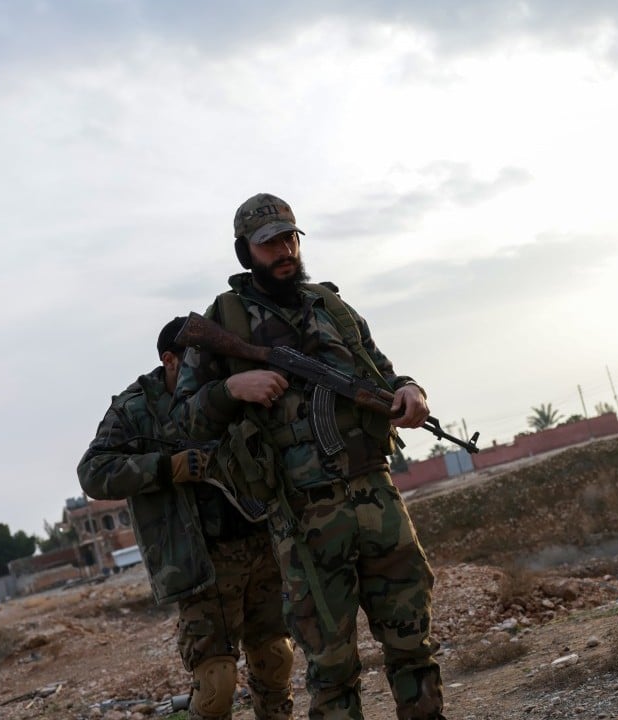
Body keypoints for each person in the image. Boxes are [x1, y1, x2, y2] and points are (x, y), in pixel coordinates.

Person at [172, 192, 445, 720]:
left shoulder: (331, 306)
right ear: (244, 252)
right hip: (303, 518)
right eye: (269, 243)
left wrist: (410, 390)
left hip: (377, 498)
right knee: (332, 668)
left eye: (290, 238)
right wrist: (234, 388)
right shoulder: (223, 321)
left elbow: (382, 372)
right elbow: (184, 420)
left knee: (414, 645)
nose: (284, 250)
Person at [78, 317, 294, 720]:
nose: (205, 369)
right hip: (200, 561)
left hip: (260, 546)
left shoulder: (228, 388)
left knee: (275, 660)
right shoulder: (135, 408)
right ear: (169, 360)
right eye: (194, 360)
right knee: (216, 684)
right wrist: (165, 468)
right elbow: (93, 473)